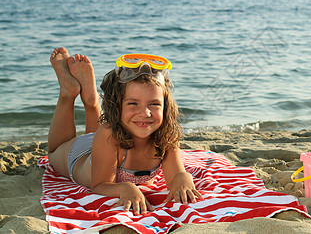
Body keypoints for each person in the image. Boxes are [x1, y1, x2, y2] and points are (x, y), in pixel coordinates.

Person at [47, 47, 203, 216]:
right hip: (78, 155)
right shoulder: (108, 133)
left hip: (101, 147)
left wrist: (183, 178)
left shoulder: (165, 136)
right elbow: (99, 185)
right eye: (133, 104)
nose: (145, 113)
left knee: (99, 135)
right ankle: (68, 93)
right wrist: (125, 188)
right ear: (117, 105)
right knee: (53, 153)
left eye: (154, 104)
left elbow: (176, 177)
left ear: (166, 107)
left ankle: (91, 101)